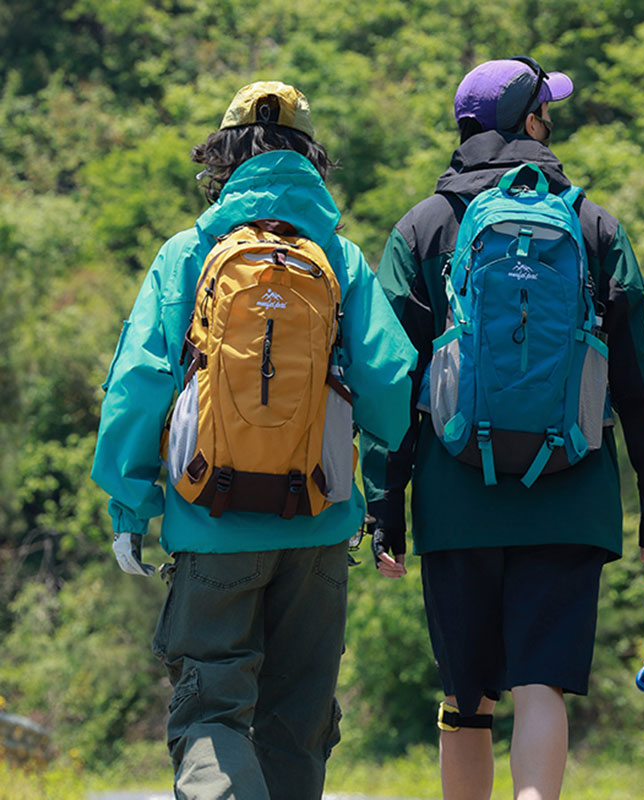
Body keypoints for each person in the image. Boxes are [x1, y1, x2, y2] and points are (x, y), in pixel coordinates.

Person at [360, 57, 644, 800]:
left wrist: (385, 505)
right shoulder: (592, 225)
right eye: (547, 110)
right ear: (529, 121)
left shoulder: (425, 226)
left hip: (456, 499)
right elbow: (642, 376)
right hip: (570, 496)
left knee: (466, 702)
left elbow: (388, 379)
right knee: (542, 686)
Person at [91, 81, 417, 800]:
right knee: (296, 722)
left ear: (223, 158)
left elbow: (139, 383)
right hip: (317, 525)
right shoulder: (342, 259)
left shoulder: (187, 255)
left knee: (211, 711)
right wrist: (387, 475)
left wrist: (127, 505)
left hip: (208, 520)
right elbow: (394, 389)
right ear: (309, 157)